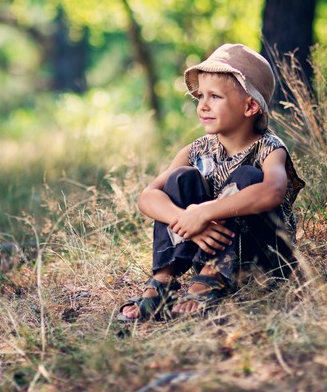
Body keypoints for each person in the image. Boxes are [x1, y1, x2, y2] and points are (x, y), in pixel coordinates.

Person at [117, 43, 304, 320]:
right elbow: (148, 196)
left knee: (249, 177)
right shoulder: (197, 150)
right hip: (207, 245)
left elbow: (273, 191)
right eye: (200, 96)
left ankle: (211, 275)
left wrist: (203, 213)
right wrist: (188, 222)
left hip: (262, 255)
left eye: (215, 96)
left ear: (250, 105)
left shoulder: (269, 149)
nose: (203, 105)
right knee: (182, 178)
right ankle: (164, 280)